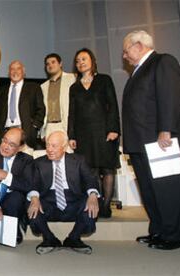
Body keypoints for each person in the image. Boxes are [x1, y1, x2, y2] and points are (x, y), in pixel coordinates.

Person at [122, 30, 180, 250]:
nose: (124, 55)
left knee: (167, 189)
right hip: (139, 142)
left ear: (139, 45)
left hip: (160, 141)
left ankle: (175, 235)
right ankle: (158, 230)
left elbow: (171, 96)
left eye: (126, 49)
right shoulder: (138, 72)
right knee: (149, 191)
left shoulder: (162, 62)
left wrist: (165, 129)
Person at [68, 48, 120, 218]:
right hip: (83, 134)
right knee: (91, 171)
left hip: (104, 131)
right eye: (77, 60)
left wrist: (113, 129)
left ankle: (105, 206)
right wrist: (72, 135)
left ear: (92, 60)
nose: (80, 62)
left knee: (107, 168)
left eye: (84, 58)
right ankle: (95, 204)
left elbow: (112, 105)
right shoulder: (74, 87)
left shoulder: (104, 80)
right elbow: (72, 113)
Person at [28, 131, 99, 255]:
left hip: (73, 199)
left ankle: (73, 238)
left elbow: (90, 179)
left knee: (91, 202)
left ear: (64, 146)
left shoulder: (78, 160)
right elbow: (34, 184)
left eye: (54, 146)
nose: (49, 149)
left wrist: (93, 195)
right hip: (48, 201)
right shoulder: (39, 162)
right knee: (30, 202)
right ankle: (49, 239)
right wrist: (34, 198)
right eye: (48, 145)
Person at [0, 60, 45, 154]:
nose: (15, 71)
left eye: (18, 69)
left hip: (25, 133)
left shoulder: (34, 87)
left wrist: (34, 127)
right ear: (9, 73)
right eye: (12, 69)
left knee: (25, 165)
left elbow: (41, 109)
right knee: (6, 166)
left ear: (23, 72)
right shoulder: (1, 91)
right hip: (6, 133)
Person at [40, 53, 76, 144]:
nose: (50, 65)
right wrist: (42, 132)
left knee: (68, 155)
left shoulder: (72, 79)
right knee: (51, 155)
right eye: (47, 64)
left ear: (60, 64)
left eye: (53, 62)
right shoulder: (43, 86)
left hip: (66, 124)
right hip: (49, 126)